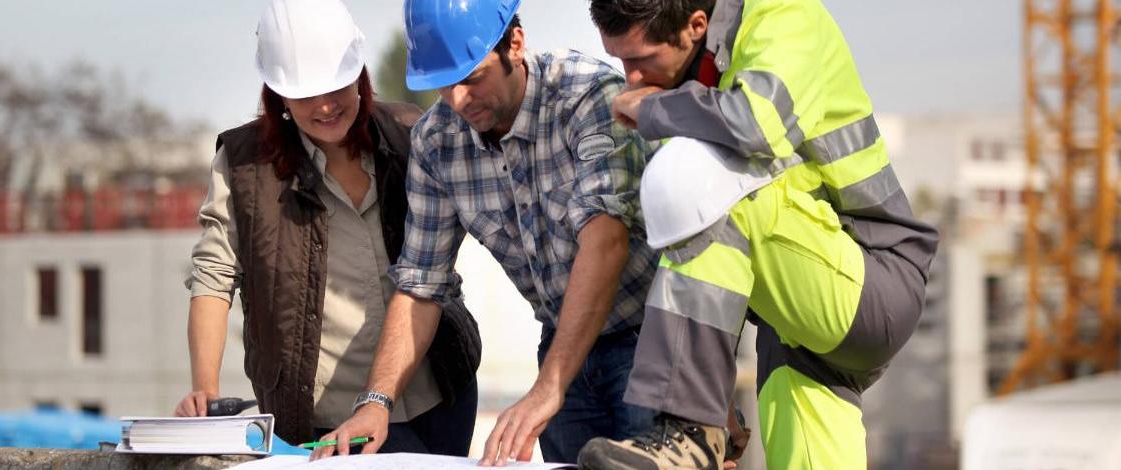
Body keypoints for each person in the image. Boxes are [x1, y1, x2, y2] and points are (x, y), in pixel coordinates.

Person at [576, 0, 940, 468]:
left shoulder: (786, 18)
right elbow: (703, 264)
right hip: (796, 319)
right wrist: (714, 394)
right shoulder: (696, 90)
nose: (631, 80)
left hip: (874, 279)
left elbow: (755, 125)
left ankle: (689, 432)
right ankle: (697, 424)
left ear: (695, 26)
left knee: (696, 180)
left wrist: (656, 108)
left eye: (640, 61)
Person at [318, 0, 659, 465]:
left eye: (471, 79)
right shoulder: (437, 142)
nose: (457, 100)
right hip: (562, 344)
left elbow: (605, 241)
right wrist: (376, 401)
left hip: (651, 344)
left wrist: (547, 388)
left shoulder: (587, 95)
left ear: (514, 45)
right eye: (443, 86)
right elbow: (421, 283)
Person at [175, 0, 480, 458]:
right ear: (277, 93)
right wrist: (206, 389)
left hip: (441, 386)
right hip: (333, 414)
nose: (325, 106)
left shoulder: (407, 134)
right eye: (304, 94)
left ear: (359, 75)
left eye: (337, 87)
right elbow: (214, 278)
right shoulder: (243, 165)